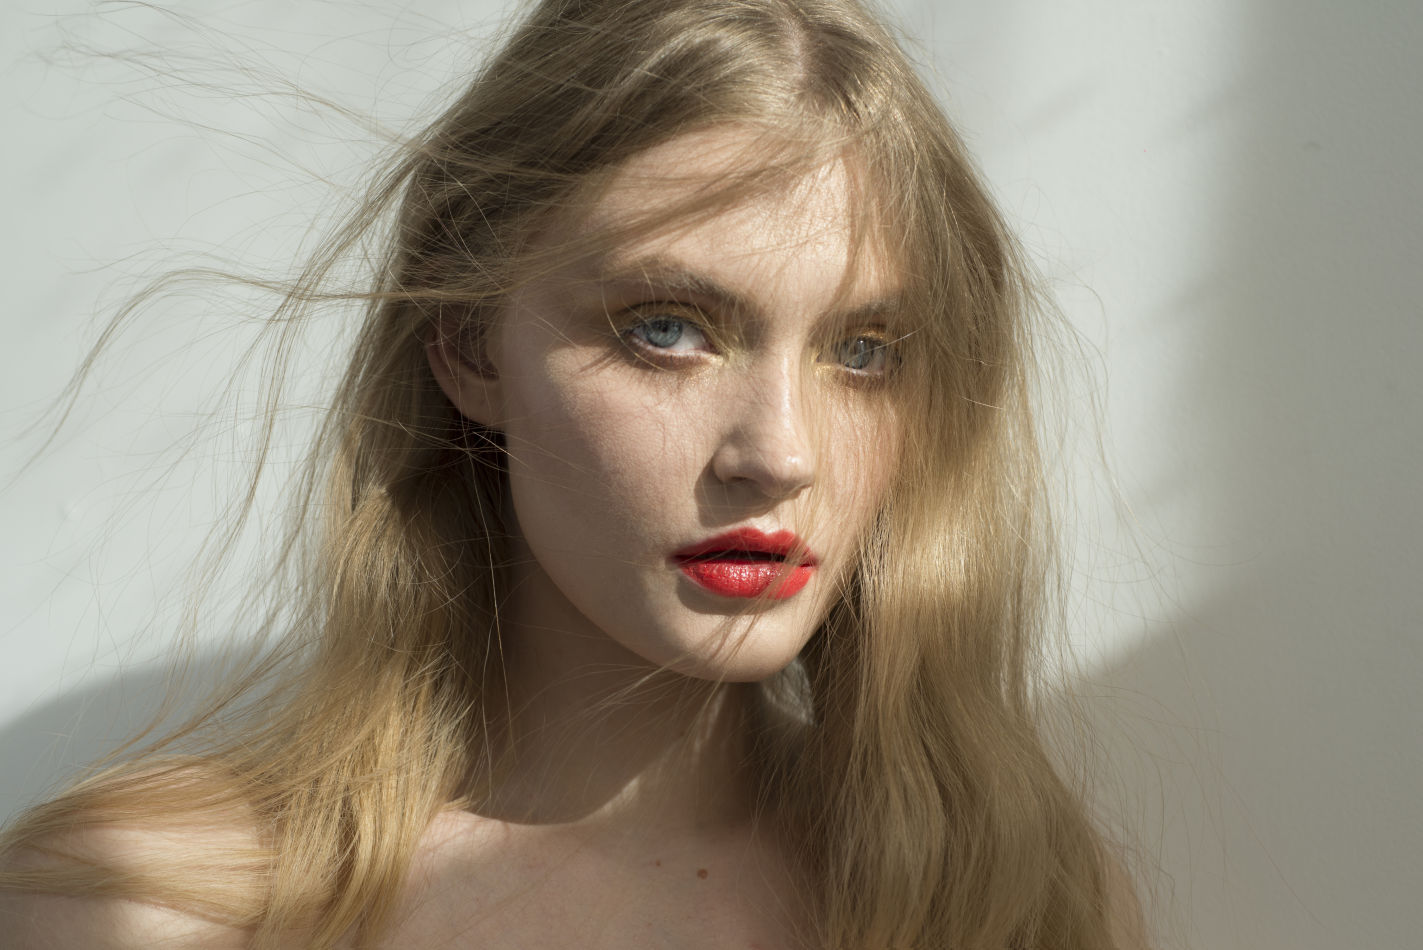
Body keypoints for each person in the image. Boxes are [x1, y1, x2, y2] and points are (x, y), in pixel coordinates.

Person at [0, 0, 1149, 946]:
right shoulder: (145, 906)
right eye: (667, 328)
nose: (781, 454)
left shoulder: (1012, 907)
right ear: (467, 343)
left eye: (862, 353)